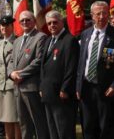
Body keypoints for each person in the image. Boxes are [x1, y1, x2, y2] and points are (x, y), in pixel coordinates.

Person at [76, 1, 114, 139]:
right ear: (92, 16)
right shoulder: (85, 34)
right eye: (98, 13)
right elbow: (82, 62)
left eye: (105, 13)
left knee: (106, 128)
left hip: (106, 90)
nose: (101, 16)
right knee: (88, 127)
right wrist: (78, 86)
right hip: (86, 88)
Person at [8, 10, 49, 139]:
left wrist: (21, 74)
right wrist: (11, 74)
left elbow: (39, 60)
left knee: (38, 121)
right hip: (17, 87)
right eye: (22, 20)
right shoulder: (17, 40)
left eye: (28, 20)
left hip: (31, 87)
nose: (25, 22)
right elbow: (11, 61)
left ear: (34, 21)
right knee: (24, 122)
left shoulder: (40, 37)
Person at [40, 10, 79, 139]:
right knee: (53, 130)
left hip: (61, 95)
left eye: (55, 22)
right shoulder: (47, 40)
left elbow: (71, 67)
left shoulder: (69, 40)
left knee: (64, 130)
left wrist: (65, 88)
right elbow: (43, 66)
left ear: (62, 22)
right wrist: (41, 86)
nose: (52, 25)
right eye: (49, 23)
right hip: (48, 92)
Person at [0, 16, 21, 139]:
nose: (4, 28)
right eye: (2, 26)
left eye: (7, 25)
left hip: (12, 84)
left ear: (12, 26)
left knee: (15, 117)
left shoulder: (17, 42)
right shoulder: (0, 43)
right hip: (1, 84)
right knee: (5, 116)